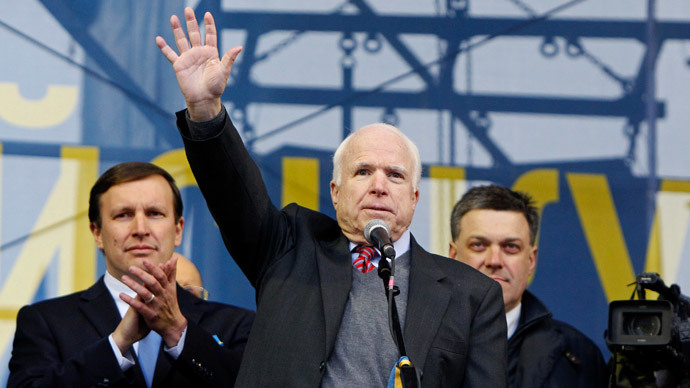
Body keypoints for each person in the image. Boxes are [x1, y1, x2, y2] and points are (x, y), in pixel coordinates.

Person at [156, 7, 507, 387]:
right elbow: (232, 192)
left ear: (414, 197)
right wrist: (206, 111)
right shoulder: (288, 248)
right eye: (363, 171)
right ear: (335, 193)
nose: (379, 185)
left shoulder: (471, 294)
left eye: (395, 175)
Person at [8, 162, 255, 388]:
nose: (140, 229)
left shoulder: (238, 325)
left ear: (178, 230)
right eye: (123, 215)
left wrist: (177, 331)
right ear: (97, 233)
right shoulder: (46, 322)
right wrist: (116, 345)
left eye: (154, 213)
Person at [448, 184, 608, 387]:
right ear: (453, 256)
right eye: (479, 245)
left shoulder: (580, 355)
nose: (494, 260)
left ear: (531, 260)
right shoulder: (414, 341)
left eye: (511, 247)